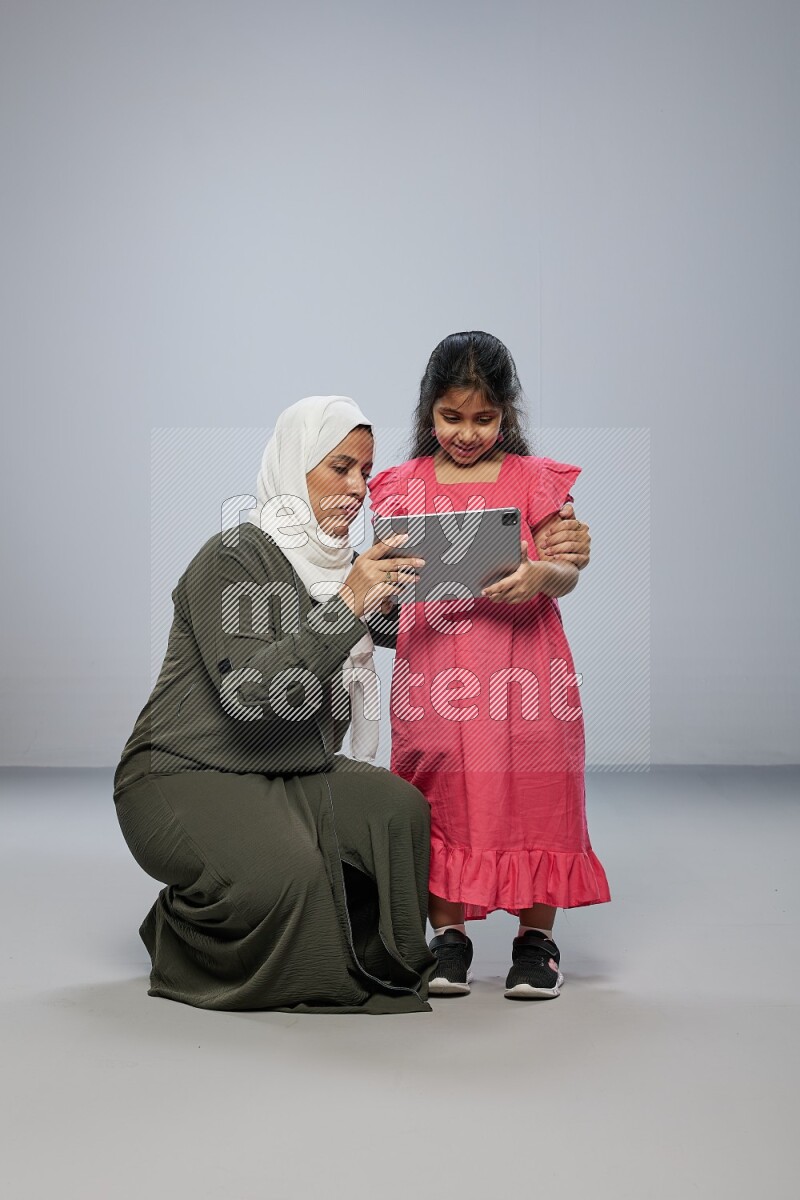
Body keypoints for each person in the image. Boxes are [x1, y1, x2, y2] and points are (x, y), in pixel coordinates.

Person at [113, 395, 437, 1014]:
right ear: (296, 464)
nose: (358, 488)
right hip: (181, 773)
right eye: (340, 468)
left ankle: (367, 955)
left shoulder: (341, 567)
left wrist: (533, 559)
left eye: (365, 473)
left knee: (400, 812)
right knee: (287, 876)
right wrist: (348, 603)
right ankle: (181, 933)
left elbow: (435, 623)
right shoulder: (233, 555)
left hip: (288, 769)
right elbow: (251, 694)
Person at [367, 332, 609, 1001]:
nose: (468, 433)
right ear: (429, 412)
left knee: (536, 790)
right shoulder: (401, 485)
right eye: (452, 418)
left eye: (484, 418)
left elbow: (568, 571)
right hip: (437, 672)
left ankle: (537, 942)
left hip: (525, 668)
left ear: (506, 414)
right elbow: (382, 575)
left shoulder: (534, 480)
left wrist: (540, 572)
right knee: (438, 795)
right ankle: (450, 940)